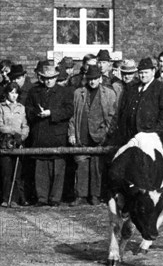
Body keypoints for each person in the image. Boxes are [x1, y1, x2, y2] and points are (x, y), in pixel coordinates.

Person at [68, 65, 117, 206]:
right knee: (81, 166)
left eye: (95, 79)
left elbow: (113, 117)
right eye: (90, 79)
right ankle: (81, 195)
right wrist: (72, 133)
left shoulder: (109, 94)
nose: (92, 82)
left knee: (97, 168)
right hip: (82, 134)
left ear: (100, 78)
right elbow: (73, 115)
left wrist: (107, 133)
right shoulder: (79, 93)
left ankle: (95, 195)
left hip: (100, 136)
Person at [25, 64, 74, 206]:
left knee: (58, 168)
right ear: (41, 78)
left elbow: (69, 110)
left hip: (57, 135)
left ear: (56, 77)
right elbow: (28, 110)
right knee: (41, 169)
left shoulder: (64, 92)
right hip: (40, 134)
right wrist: (37, 114)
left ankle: (54, 198)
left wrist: (51, 113)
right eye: (46, 78)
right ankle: (42, 198)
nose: (48, 81)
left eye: (51, 78)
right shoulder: (34, 92)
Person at [117, 57, 163, 144]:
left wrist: (153, 134)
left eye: (146, 72)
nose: (143, 75)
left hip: (151, 139)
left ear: (153, 72)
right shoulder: (132, 89)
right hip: (131, 138)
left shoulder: (161, 88)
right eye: (140, 73)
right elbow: (123, 113)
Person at [0, 83, 30, 207]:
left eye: (16, 93)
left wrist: (22, 136)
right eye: (12, 92)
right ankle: (5, 198)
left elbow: (25, 125)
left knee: (17, 172)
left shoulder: (21, 108)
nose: (14, 95)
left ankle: (15, 199)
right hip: (5, 141)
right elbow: (0, 125)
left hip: (18, 142)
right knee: (6, 171)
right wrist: (12, 132)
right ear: (7, 93)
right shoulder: (1, 107)